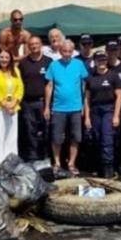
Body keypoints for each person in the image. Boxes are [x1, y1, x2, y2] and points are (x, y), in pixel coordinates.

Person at [44, 40, 88, 175]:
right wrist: (46, 107)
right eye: (64, 51)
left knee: (76, 137)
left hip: (75, 107)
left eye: (69, 51)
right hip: (58, 108)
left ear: (73, 51)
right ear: (60, 51)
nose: (67, 54)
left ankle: (71, 163)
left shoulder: (79, 64)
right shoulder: (53, 65)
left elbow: (84, 86)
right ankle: (57, 163)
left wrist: (84, 106)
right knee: (56, 137)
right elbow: (49, 86)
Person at [83, 51, 121, 178]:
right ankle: (99, 167)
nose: (102, 62)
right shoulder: (91, 77)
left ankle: (108, 169)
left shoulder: (113, 76)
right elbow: (87, 99)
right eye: (99, 60)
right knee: (96, 138)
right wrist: (87, 117)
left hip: (108, 109)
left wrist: (116, 115)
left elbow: (119, 96)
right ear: (95, 61)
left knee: (107, 139)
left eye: (104, 60)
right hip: (95, 109)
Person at [17, 36, 53, 162]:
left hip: (43, 102)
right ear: (28, 46)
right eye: (31, 44)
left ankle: (46, 155)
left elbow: (51, 84)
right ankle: (33, 156)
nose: (34, 46)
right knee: (29, 130)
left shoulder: (49, 62)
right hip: (27, 102)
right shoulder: (23, 63)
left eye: (36, 43)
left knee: (46, 130)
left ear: (41, 45)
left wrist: (48, 106)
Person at [0, 49, 24, 169]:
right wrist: (5, 104)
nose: (4, 60)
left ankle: (12, 164)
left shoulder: (16, 71)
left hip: (13, 108)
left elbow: (20, 88)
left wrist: (14, 102)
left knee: (11, 137)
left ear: (10, 59)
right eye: (2, 57)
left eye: (6, 57)